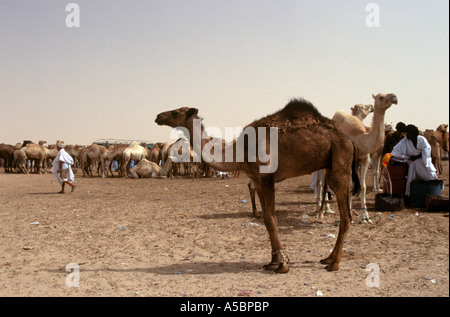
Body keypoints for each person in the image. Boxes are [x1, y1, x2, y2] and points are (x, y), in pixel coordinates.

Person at [391, 124, 439, 196]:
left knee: (429, 178)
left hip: (422, 162)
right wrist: (406, 157)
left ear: (413, 133)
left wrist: (417, 157)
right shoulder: (404, 141)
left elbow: (426, 149)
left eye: (408, 133)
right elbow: (395, 151)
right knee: (412, 182)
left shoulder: (421, 139)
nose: (407, 135)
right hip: (412, 164)